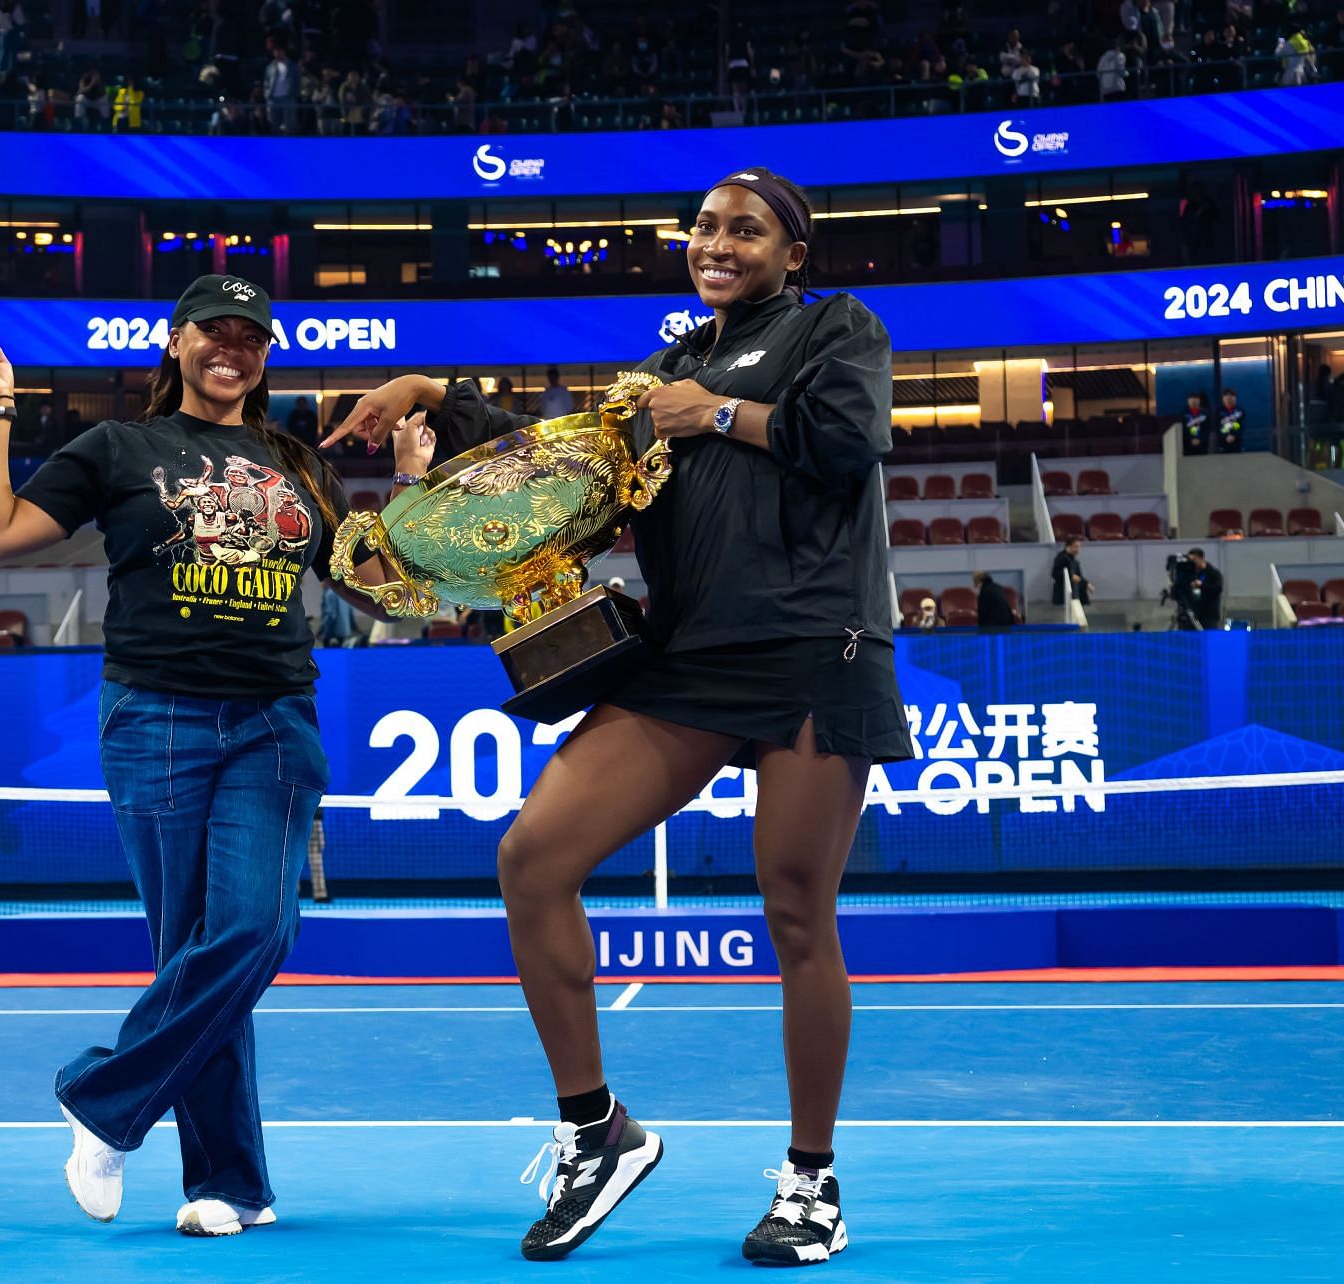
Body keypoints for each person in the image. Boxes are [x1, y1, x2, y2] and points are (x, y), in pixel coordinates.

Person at [325, 165, 910, 1266]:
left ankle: (812, 1185)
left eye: (746, 230)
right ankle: (599, 1132)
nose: (718, 243)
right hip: (686, 661)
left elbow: (846, 439)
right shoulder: (665, 371)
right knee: (534, 857)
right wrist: (433, 394)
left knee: (795, 913)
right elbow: (563, 472)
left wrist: (719, 415)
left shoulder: (836, 329)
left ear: (792, 252)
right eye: (704, 227)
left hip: (812, 652)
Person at [0, 275, 412, 1239]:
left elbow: (396, 596)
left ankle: (102, 1101)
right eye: (214, 330)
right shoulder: (120, 448)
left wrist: (411, 486)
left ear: (265, 352)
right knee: (196, 950)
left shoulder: (297, 464)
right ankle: (231, 1185)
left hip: (275, 722)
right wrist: (0, 408)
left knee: (251, 933)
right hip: (156, 716)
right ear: (178, 341)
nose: (230, 348)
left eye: (250, 335)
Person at [1186, 547, 1223, 629]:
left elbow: (1217, 589)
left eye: (1194, 559)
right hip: (1195, 614)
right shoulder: (1192, 574)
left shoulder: (1213, 573)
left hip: (1209, 616)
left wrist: (1201, 585)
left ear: (1201, 558)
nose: (1192, 562)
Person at [1051, 537, 1091, 606]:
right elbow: (1055, 574)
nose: (1078, 550)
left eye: (1079, 547)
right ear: (1068, 547)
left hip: (1075, 594)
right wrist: (1071, 576)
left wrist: (1086, 583)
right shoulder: (1061, 558)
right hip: (1062, 596)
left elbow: (1078, 577)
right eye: (1075, 547)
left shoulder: (1075, 560)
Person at [1217, 388, 1245, 452]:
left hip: (1237, 443)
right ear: (1223, 399)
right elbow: (1217, 427)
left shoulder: (1240, 411)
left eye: (1231, 397)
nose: (1229, 399)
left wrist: (1234, 436)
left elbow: (1242, 426)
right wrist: (1226, 436)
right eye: (1227, 397)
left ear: (1235, 398)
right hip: (1222, 443)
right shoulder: (1218, 411)